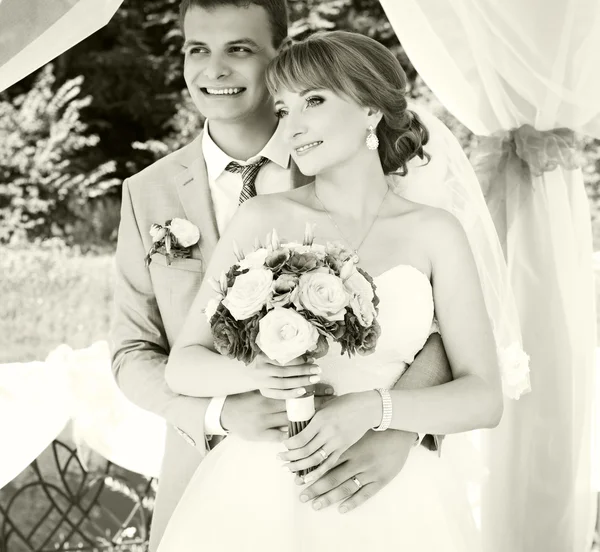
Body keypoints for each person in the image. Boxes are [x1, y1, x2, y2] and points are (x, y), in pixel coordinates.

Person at [110, 2, 456, 550]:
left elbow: (433, 325)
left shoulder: (347, 160)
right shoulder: (146, 192)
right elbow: (133, 351)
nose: (214, 70)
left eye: (239, 49)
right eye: (197, 49)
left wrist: (398, 427)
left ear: (280, 55)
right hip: (215, 474)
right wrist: (223, 413)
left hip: (368, 468)